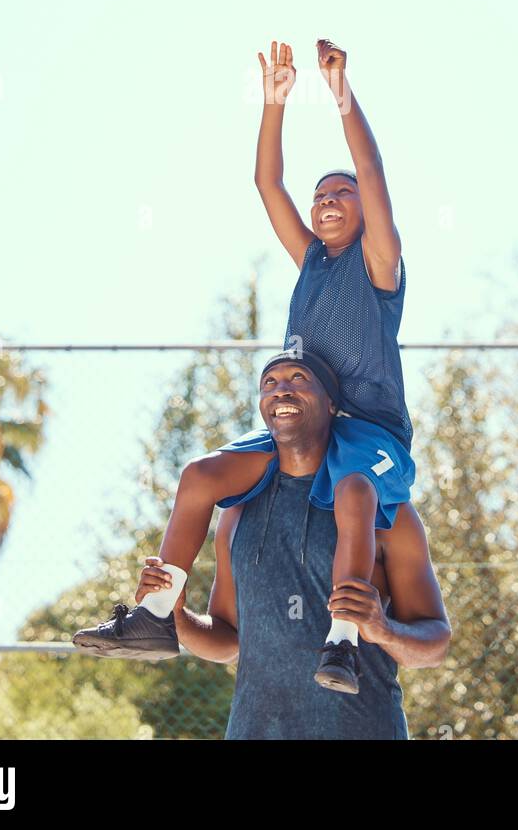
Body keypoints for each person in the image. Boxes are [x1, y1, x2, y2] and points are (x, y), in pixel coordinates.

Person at [73, 38, 415, 695]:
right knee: (201, 476)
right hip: (301, 425)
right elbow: (266, 182)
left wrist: (339, 92)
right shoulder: (312, 258)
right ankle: (152, 613)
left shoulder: (377, 269)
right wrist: (274, 103)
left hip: (368, 435)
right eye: (320, 195)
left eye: (341, 193)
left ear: (367, 212)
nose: (327, 201)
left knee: (352, 492)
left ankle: (340, 644)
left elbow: (372, 172)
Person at [134, 356, 450, 740]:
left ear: (331, 404)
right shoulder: (236, 512)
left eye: (298, 378)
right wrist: (177, 615)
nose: (280, 389)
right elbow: (229, 642)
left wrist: (380, 629)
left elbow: (434, 644)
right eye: (269, 382)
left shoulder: (386, 512)